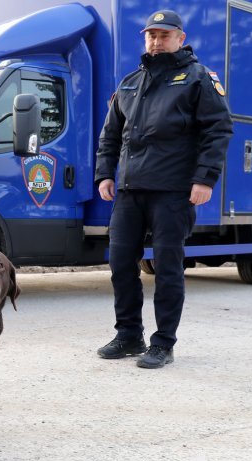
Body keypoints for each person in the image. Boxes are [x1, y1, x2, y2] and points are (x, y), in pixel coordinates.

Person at [94, 9, 232, 369]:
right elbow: (110, 136)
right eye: (151, 35)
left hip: (173, 191)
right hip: (128, 190)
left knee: (167, 268)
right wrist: (105, 174)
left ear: (180, 39)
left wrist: (204, 179)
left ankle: (163, 343)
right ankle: (128, 336)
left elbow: (217, 130)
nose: (157, 41)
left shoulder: (198, 78)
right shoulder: (129, 82)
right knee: (122, 264)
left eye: (164, 35)